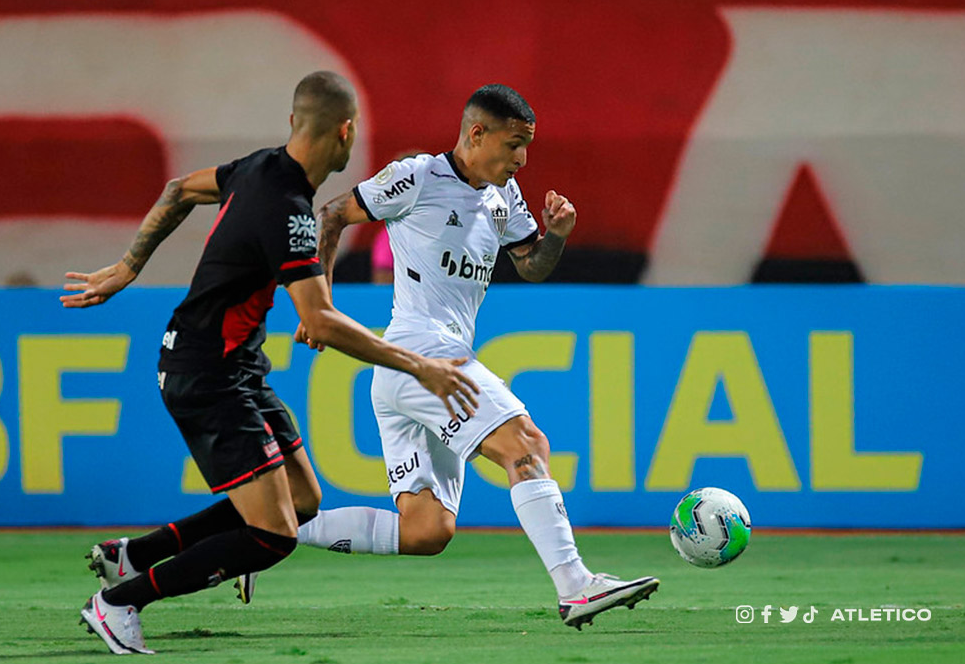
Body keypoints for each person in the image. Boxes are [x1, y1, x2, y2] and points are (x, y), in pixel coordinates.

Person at [60, 71, 479, 655]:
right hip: (207, 374)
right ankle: (120, 603)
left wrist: (129, 266)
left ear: (292, 123)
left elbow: (180, 188)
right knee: (273, 534)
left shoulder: (259, 167)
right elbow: (322, 319)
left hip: (235, 368)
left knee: (303, 502)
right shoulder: (289, 209)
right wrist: (420, 366)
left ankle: (133, 555)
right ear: (346, 132)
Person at [241, 84, 659, 630]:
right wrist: (315, 307)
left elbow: (532, 265)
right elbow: (331, 213)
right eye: (513, 145)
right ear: (476, 133)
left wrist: (556, 235)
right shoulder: (417, 176)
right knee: (528, 444)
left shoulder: (504, 196)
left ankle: (256, 534)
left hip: (414, 370)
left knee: (426, 531)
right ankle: (576, 586)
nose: (522, 159)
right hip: (420, 353)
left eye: (526, 148)